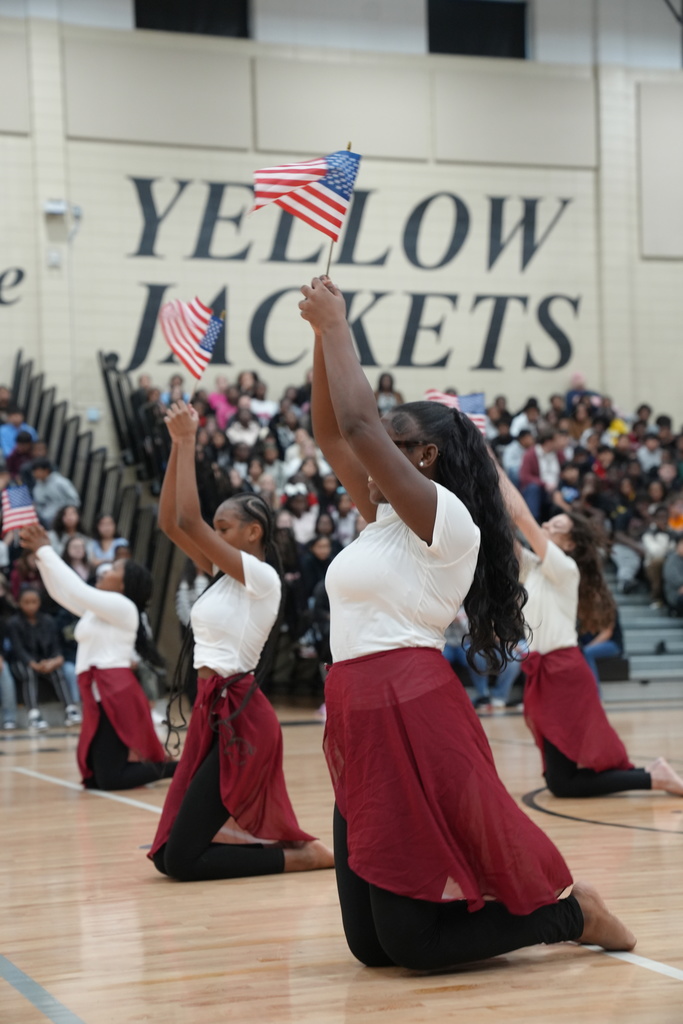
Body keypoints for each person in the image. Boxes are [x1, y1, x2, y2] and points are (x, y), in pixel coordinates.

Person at [298, 275, 635, 971]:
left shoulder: (445, 524)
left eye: (395, 442)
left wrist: (340, 325)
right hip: (357, 709)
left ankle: (571, 913)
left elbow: (358, 426)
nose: (374, 451)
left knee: (411, 945)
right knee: (371, 949)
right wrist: (316, 341)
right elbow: (332, 429)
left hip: (409, 706)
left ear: (424, 457)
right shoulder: (379, 522)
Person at [150, 400, 333, 881]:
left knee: (182, 861)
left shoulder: (262, 576)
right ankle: (294, 853)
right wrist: (176, 446)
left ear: (253, 533)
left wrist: (189, 441)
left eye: (224, 527)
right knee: (172, 856)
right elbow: (172, 522)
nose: (213, 533)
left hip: (241, 717)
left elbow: (189, 522)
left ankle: (303, 856)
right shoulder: (224, 575)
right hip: (215, 709)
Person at [495, 478, 683, 800]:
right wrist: (481, 479)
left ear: (569, 544)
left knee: (562, 784)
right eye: (548, 522)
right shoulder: (533, 568)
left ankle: (653, 778)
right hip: (548, 674)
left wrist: (488, 462)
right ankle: (651, 775)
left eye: (555, 526)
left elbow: (523, 518)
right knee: (560, 779)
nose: (545, 526)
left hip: (563, 673)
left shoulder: (565, 568)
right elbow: (503, 530)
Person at [20, 523, 176, 789]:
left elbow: (78, 590)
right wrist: (41, 558)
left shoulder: (123, 606)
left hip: (115, 693)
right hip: (101, 692)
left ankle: (181, 768)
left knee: (108, 779)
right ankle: (177, 767)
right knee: (96, 778)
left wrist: (46, 551)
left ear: (124, 585)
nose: (105, 570)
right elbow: (62, 593)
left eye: (114, 569)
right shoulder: (100, 609)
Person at [6, 585, 77, 729]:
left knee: (58, 671)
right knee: (29, 673)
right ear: (19, 603)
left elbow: (56, 645)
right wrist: (33, 664)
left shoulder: (48, 620)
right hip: (22, 663)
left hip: (45, 661)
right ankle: (34, 714)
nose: (31, 606)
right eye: (27, 602)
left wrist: (54, 660)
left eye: (34, 602)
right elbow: (18, 650)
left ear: (39, 602)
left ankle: (70, 709)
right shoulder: (13, 623)